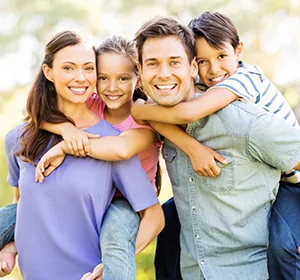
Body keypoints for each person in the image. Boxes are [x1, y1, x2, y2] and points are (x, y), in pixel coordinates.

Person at [132, 12, 300, 279]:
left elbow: (188, 113)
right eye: (153, 63)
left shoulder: (244, 115)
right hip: (193, 272)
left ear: (190, 68)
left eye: (174, 62)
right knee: (169, 217)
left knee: (284, 243)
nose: (164, 74)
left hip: (291, 187)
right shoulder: (157, 118)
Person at [0, 30, 164, 280]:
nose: (80, 77)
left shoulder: (113, 142)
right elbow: (24, 204)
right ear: (48, 72)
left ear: (137, 79)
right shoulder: (18, 138)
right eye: (68, 68)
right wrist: (13, 244)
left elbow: (153, 215)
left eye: (87, 68)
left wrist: (111, 266)